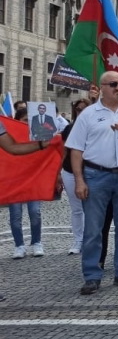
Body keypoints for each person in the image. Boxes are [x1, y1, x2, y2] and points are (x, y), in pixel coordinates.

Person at [66, 71, 118, 295]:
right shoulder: (88, 114)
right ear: (102, 87)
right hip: (96, 174)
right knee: (93, 229)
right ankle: (92, 275)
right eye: (113, 84)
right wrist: (79, 180)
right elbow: (76, 149)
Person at [8, 108, 43, 259]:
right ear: (17, 121)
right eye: (24, 120)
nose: (27, 123)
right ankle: (19, 245)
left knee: (35, 212)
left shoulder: (38, 136)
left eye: (29, 120)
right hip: (14, 181)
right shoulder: (9, 137)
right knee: (15, 215)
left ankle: (36, 242)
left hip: (33, 180)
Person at [59, 98, 91, 254]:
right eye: (79, 109)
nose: (81, 112)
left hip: (91, 172)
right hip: (69, 171)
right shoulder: (69, 128)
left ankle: (91, 240)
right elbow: (64, 152)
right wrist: (58, 173)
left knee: (91, 209)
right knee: (76, 209)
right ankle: (78, 240)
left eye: (85, 109)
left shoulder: (94, 127)